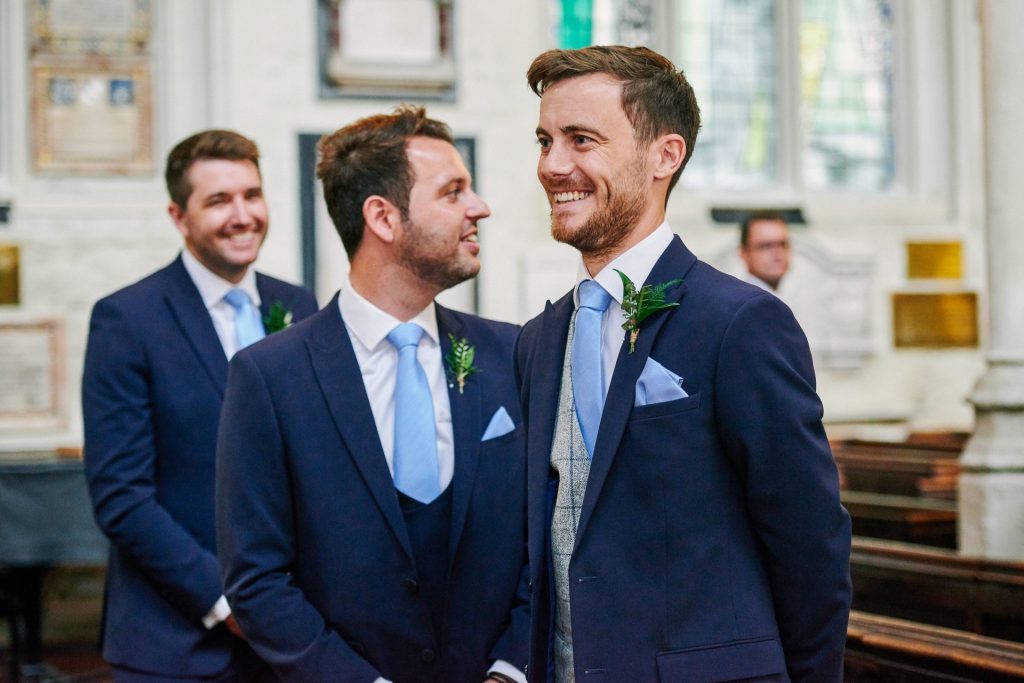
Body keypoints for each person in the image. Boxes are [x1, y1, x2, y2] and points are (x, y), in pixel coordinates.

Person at [517, 45, 852, 682]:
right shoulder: (539, 339)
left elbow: (810, 544)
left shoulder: (740, 325)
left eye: (581, 140)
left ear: (664, 156)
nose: (553, 166)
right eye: (544, 140)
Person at [215, 106, 529, 683]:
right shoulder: (270, 377)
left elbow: (544, 541)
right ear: (383, 218)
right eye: (454, 192)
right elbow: (258, 579)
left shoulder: (511, 355)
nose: (479, 207)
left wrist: (510, 670)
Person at [82, 130, 318, 681]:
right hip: (177, 643)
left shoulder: (297, 304)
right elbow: (121, 497)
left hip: (292, 636)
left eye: (251, 195)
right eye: (218, 201)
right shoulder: (127, 320)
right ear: (178, 215)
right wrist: (227, 601)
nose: (243, 216)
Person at [740, 211, 791, 293]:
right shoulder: (745, 301)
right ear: (744, 253)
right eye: (766, 246)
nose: (777, 252)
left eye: (782, 244)